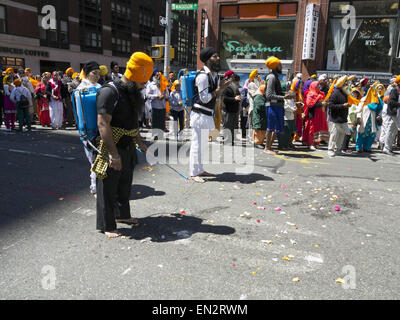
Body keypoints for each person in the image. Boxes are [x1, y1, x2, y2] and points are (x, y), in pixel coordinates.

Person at [93, 52, 151, 238]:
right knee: (108, 187)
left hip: (127, 144)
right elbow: (103, 124)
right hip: (111, 146)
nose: (144, 86)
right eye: (142, 82)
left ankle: (122, 215)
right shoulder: (110, 91)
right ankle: (107, 225)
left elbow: (132, 122)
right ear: (133, 77)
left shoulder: (132, 93)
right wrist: (114, 155)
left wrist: (140, 143)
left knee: (125, 183)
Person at [189, 47, 232, 183]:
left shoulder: (213, 75)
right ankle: (193, 172)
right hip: (199, 114)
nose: (218, 58)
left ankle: (200, 169)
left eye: (217, 56)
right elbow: (205, 98)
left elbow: (214, 96)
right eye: (214, 56)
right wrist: (220, 89)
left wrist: (220, 88)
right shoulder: (202, 76)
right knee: (196, 144)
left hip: (207, 114)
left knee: (203, 145)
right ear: (207, 60)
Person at [75, 61, 102, 197]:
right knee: (93, 159)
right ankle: (95, 188)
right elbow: (80, 114)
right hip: (88, 130)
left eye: (98, 73)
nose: (97, 76)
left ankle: (100, 185)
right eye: (94, 73)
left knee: (101, 158)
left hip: (101, 127)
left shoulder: (99, 87)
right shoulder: (80, 90)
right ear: (87, 73)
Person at [264, 56, 290, 155]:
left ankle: (269, 147)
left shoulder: (275, 76)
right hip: (272, 106)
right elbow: (269, 95)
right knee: (271, 127)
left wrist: (285, 95)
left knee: (277, 128)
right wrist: (283, 97)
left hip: (277, 106)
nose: (281, 66)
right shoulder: (271, 77)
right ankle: (267, 148)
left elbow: (275, 93)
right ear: (275, 66)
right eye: (280, 65)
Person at [327, 76, 351, 157]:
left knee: (342, 134)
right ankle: (330, 149)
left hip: (343, 118)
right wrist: (342, 106)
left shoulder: (345, 94)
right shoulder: (335, 93)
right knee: (334, 134)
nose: (347, 85)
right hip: (335, 118)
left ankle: (338, 149)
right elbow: (330, 105)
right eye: (346, 84)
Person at [356, 83, 383, 153]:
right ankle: (358, 147)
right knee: (361, 133)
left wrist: (379, 115)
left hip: (373, 121)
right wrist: (358, 117)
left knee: (371, 134)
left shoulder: (377, 100)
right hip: (364, 120)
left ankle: (367, 147)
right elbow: (359, 109)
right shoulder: (364, 100)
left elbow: (380, 109)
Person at [302, 81, 329, 150]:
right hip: (313, 114)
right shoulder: (311, 94)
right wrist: (321, 104)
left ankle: (316, 143)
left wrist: (325, 103)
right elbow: (310, 104)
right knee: (312, 129)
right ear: (314, 86)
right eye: (317, 85)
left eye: (319, 85)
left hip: (320, 115)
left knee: (318, 129)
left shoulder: (321, 94)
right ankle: (310, 144)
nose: (319, 87)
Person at [146, 71, 169, 139]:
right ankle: (155, 135)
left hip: (162, 107)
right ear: (154, 76)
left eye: (160, 75)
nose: (158, 77)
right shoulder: (150, 85)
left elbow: (168, 95)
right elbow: (147, 95)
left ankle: (160, 135)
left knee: (161, 122)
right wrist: (157, 96)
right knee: (154, 122)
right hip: (154, 106)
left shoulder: (164, 85)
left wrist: (164, 96)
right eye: (157, 75)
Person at [221, 72, 241, 146]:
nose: (233, 78)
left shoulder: (234, 86)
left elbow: (237, 95)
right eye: (232, 76)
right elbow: (224, 98)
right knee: (227, 126)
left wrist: (239, 98)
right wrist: (234, 99)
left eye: (233, 76)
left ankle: (231, 140)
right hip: (227, 110)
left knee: (233, 126)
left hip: (234, 110)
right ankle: (227, 141)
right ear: (228, 77)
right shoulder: (225, 86)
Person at [341, 88, 363, 153]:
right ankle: (344, 148)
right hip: (349, 121)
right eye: (353, 93)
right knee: (347, 134)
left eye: (356, 94)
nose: (355, 95)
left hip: (353, 121)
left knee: (349, 135)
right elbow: (350, 112)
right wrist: (357, 111)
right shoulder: (350, 101)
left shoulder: (356, 102)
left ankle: (345, 147)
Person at [383, 75, 400, 155]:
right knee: (390, 131)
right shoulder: (394, 90)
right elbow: (391, 102)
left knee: (394, 132)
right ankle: (386, 148)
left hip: (397, 114)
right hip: (393, 114)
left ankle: (389, 147)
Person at [247, 69, 261, 142]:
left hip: (257, 107)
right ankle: (251, 138)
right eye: (256, 76)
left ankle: (255, 138)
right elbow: (253, 95)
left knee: (255, 124)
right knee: (252, 124)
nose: (258, 77)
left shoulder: (257, 84)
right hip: (253, 108)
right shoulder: (251, 84)